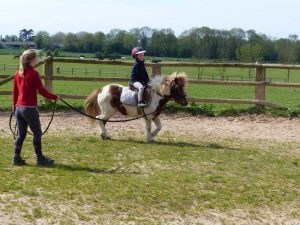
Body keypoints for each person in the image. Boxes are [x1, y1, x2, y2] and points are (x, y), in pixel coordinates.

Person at [12, 49, 59, 166]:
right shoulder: (34, 74)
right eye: (36, 58)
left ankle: (16, 158)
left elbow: (14, 92)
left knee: (21, 134)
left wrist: (14, 106)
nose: (37, 60)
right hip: (29, 109)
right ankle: (39, 159)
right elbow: (42, 91)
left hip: (19, 108)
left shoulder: (18, 73)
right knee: (37, 133)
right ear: (32, 60)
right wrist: (54, 97)